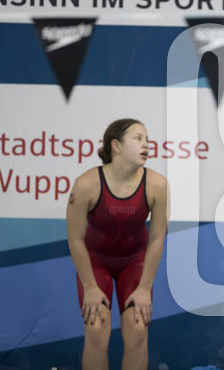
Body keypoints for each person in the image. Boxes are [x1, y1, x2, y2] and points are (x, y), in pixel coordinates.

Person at [66, 118, 169, 370]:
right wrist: (90, 287)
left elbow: (157, 238)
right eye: (138, 138)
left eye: (147, 139)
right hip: (95, 263)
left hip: (134, 262)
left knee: (138, 328)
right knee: (96, 328)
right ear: (117, 145)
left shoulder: (157, 185)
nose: (147, 144)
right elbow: (76, 239)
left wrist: (145, 288)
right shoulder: (86, 184)